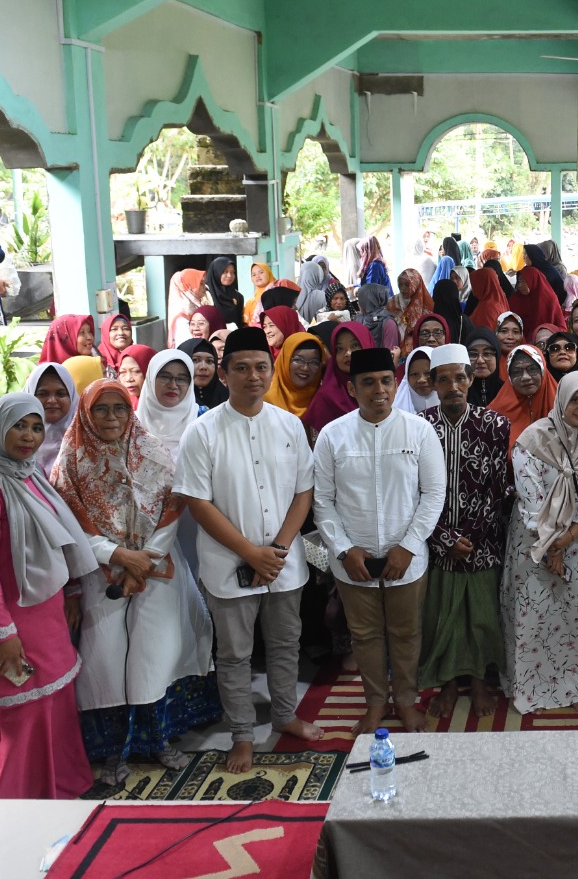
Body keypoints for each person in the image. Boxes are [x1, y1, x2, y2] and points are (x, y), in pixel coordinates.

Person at [52, 381, 217, 785]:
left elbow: (172, 508)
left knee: (154, 657)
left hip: (157, 571)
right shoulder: (69, 462)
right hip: (98, 574)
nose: (111, 418)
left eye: (119, 409)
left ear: (131, 412)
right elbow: (67, 524)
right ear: (87, 414)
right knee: (105, 662)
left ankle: (159, 740)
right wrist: (118, 556)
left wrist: (143, 559)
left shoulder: (152, 453)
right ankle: (113, 751)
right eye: (101, 410)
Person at [175, 326, 320, 774]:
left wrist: (275, 549)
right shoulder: (202, 432)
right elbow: (197, 501)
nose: (253, 377)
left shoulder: (288, 425)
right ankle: (241, 735)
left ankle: (284, 714)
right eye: (241, 368)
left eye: (261, 367)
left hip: (282, 563)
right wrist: (249, 553)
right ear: (225, 372)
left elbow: (304, 492)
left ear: (270, 369)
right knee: (235, 653)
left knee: (284, 643)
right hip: (228, 563)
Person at [0, 394, 99, 798]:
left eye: (36, 427)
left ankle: (56, 787)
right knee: (17, 709)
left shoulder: (26, 473)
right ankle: (2, 803)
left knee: (53, 699)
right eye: (20, 426)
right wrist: (2, 634)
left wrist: (69, 589)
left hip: (40, 604)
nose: (29, 436)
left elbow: (56, 537)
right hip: (1, 613)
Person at [313, 347, 447, 735]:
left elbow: (433, 493)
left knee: (406, 633)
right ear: (352, 389)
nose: (379, 390)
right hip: (351, 559)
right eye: (368, 382)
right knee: (365, 635)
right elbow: (322, 500)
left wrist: (408, 545)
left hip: (407, 556)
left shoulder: (419, 430)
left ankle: (405, 701)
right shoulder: (332, 436)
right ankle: (375, 703)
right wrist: (343, 549)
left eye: (386, 381)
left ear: (395, 383)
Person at [501, 371, 578, 714]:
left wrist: (568, 538)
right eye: (575, 399)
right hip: (534, 543)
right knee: (536, 615)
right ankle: (534, 690)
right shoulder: (533, 439)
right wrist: (550, 544)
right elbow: (530, 496)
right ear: (561, 400)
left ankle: (575, 686)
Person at [420, 343, 514, 719]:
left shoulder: (495, 425)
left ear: (472, 379)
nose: (453, 386)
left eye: (460, 377)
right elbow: (415, 488)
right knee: (443, 613)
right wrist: (443, 539)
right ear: (433, 384)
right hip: (435, 541)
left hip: (483, 540)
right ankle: (446, 684)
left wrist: (470, 537)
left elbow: (499, 486)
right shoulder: (420, 427)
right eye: (444, 380)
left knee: (481, 615)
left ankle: (477, 682)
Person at [301, 322, 374, 432]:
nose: (348, 353)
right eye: (339, 349)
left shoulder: (384, 387)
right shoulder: (325, 399)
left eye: (355, 346)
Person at [489, 344, 557, 450]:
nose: (525, 377)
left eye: (532, 369)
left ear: (543, 370)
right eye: (517, 372)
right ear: (509, 377)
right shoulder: (493, 416)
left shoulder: (563, 406)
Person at [26, 362, 78, 475]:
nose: (52, 401)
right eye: (42, 394)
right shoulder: (15, 437)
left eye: (60, 394)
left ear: (72, 397)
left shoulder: (87, 436)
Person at [265, 331, 326, 422]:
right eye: (298, 360)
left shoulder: (323, 400)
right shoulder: (265, 402)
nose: (305, 368)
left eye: (314, 362)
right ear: (285, 360)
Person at [178, 336, 229, 410]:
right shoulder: (171, 401)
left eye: (209, 361)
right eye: (195, 360)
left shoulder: (228, 399)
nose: (203, 367)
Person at [355, 283, 401, 359]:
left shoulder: (388, 323)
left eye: (360, 299)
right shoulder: (359, 320)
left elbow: (390, 356)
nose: (358, 303)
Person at [387, 267, 435, 333]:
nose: (403, 289)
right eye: (400, 284)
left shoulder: (426, 304)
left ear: (416, 284)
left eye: (407, 285)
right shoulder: (392, 302)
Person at [394, 345, 439, 414]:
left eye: (428, 373)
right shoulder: (395, 411)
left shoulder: (452, 407)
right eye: (414, 374)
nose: (421, 380)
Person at [168, 269, 207, 347]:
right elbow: (186, 346)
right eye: (200, 284)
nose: (204, 287)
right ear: (188, 287)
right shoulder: (183, 316)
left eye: (204, 283)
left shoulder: (195, 306)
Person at [206, 257, 244, 328]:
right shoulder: (206, 296)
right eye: (225, 272)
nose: (230, 276)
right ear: (216, 272)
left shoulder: (238, 297)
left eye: (232, 272)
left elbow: (240, 322)